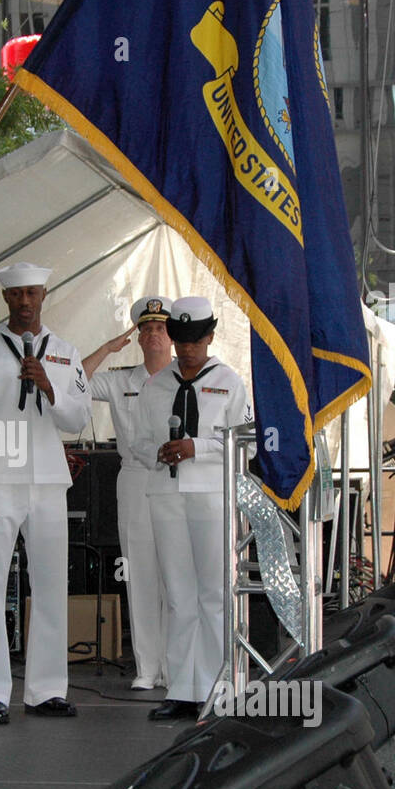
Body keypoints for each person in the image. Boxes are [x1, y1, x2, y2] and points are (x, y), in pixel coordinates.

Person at [0, 261, 92, 724]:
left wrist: (49, 385)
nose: (26, 302)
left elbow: (76, 419)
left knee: (52, 585)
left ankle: (47, 689)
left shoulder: (65, 351)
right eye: (17, 295)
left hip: (48, 480)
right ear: (6, 298)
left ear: (44, 296)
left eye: (33, 293)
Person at [133, 296, 251, 721]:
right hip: (166, 494)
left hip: (211, 495)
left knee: (213, 595)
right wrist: (159, 452)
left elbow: (243, 444)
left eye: (195, 340)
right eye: (180, 340)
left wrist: (195, 447)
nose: (187, 349)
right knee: (179, 596)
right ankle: (182, 690)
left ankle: (217, 687)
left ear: (210, 337)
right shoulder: (155, 385)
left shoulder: (229, 382)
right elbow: (138, 441)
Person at [81, 296, 174, 690]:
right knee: (139, 572)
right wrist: (106, 348)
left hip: (174, 478)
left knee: (176, 574)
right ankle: (147, 667)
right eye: (146, 328)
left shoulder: (185, 378)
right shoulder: (122, 380)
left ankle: (176, 665)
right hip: (135, 477)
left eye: (160, 328)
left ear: (172, 335)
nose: (153, 334)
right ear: (137, 337)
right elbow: (75, 381)